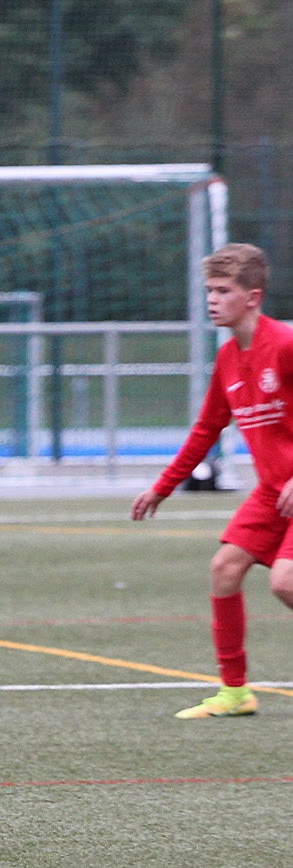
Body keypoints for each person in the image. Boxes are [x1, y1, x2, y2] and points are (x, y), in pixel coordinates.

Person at [132, 242, 293, 718]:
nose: (212, 300)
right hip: (273, 492)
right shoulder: (228, 359)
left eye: (223, 291)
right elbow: (206, 429)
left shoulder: (284, 346)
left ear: (253, 297)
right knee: (224, 568)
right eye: (209, 290)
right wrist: (162, 487)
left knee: (285, 581)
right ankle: (235, 692)